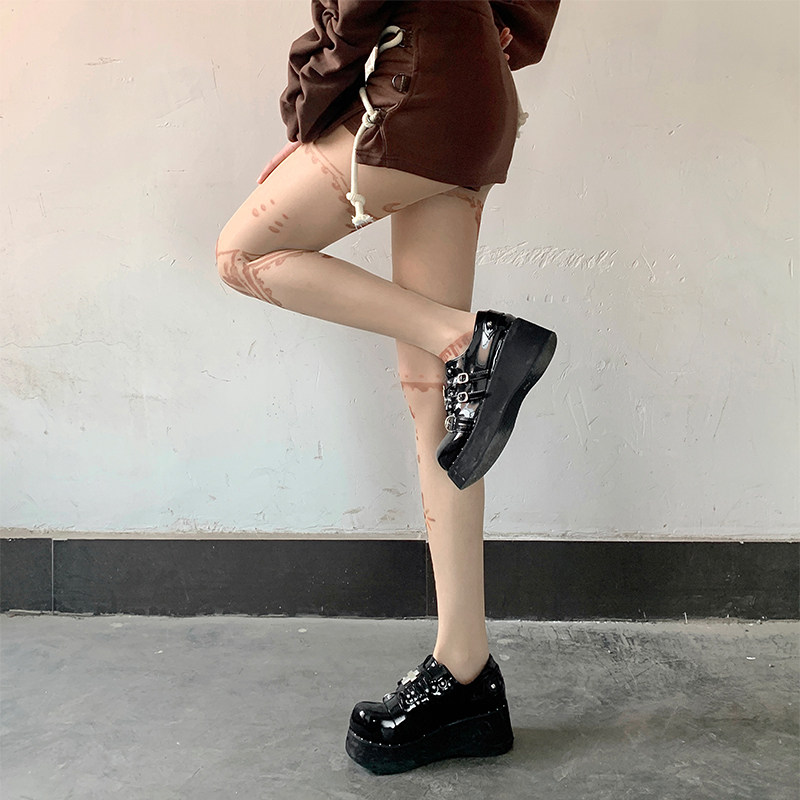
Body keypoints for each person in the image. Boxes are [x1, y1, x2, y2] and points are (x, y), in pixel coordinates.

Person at [215, 0, 561, 774]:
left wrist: (309, 117)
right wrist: (500, 40)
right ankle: (465, 673)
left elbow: (354, 13)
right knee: (441, 401)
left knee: (242, 254)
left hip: (415, 97)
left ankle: (475, 340)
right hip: (469, 94)